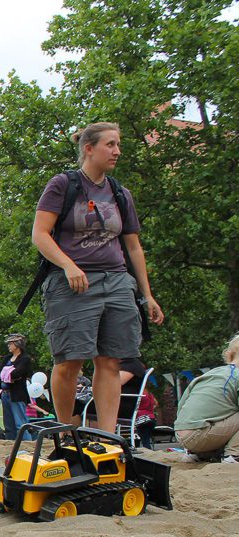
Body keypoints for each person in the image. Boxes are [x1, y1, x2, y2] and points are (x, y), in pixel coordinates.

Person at [31, 122, 164, 435]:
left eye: (118, 144)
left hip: (117, 282)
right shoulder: (63, 185)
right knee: (70, 362)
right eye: (110, 144)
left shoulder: (120, 193)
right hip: (72, 285)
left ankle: (107, 436)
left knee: (110, 361)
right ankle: (65, 432)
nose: (117, 151)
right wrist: (68, 265)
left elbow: (133, 246)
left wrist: (147, 295)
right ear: (89, 148)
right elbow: (40, 234)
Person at [173, 333, 239, 464]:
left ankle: (197, 454)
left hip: (181, 434)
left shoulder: (212, 373)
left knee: (220, 415)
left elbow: (182, 405)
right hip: (201, 435)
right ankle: (233, 455)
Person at [0, 333, 33, 440]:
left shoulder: (25, 359)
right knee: (8, 423)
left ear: (17, 344)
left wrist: (6, 373)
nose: (8, 346)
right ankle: (10, 443)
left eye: (10, 343)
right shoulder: (7, 358)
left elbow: (17, 373)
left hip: (17, 394)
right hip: (5, 393)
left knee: (20, 423)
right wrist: (8, 375)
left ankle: (26, 443)